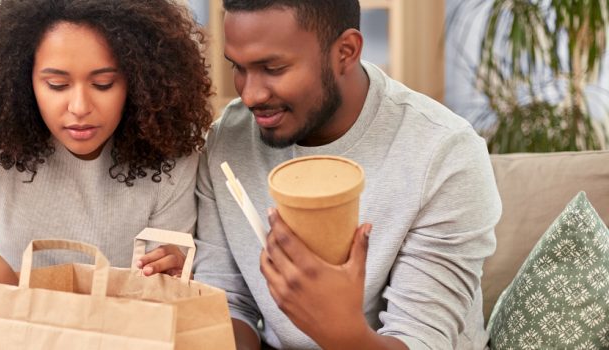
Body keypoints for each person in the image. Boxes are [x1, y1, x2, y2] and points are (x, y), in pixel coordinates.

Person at [192, 1, 502, 349]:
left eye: (273, 68)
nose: (250, 95)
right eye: (239, 67)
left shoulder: (444, 155)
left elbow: (421, 339)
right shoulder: (226, 143)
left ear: (346, 51)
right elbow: (227, 305)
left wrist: (339, 329)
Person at [0, 0, 212, 285]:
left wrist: (172, 267)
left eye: (104, 84)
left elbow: (158, 289)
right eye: (57, 85)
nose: (79, 108)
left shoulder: (171, 150)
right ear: (24, 78)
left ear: (139, 81)